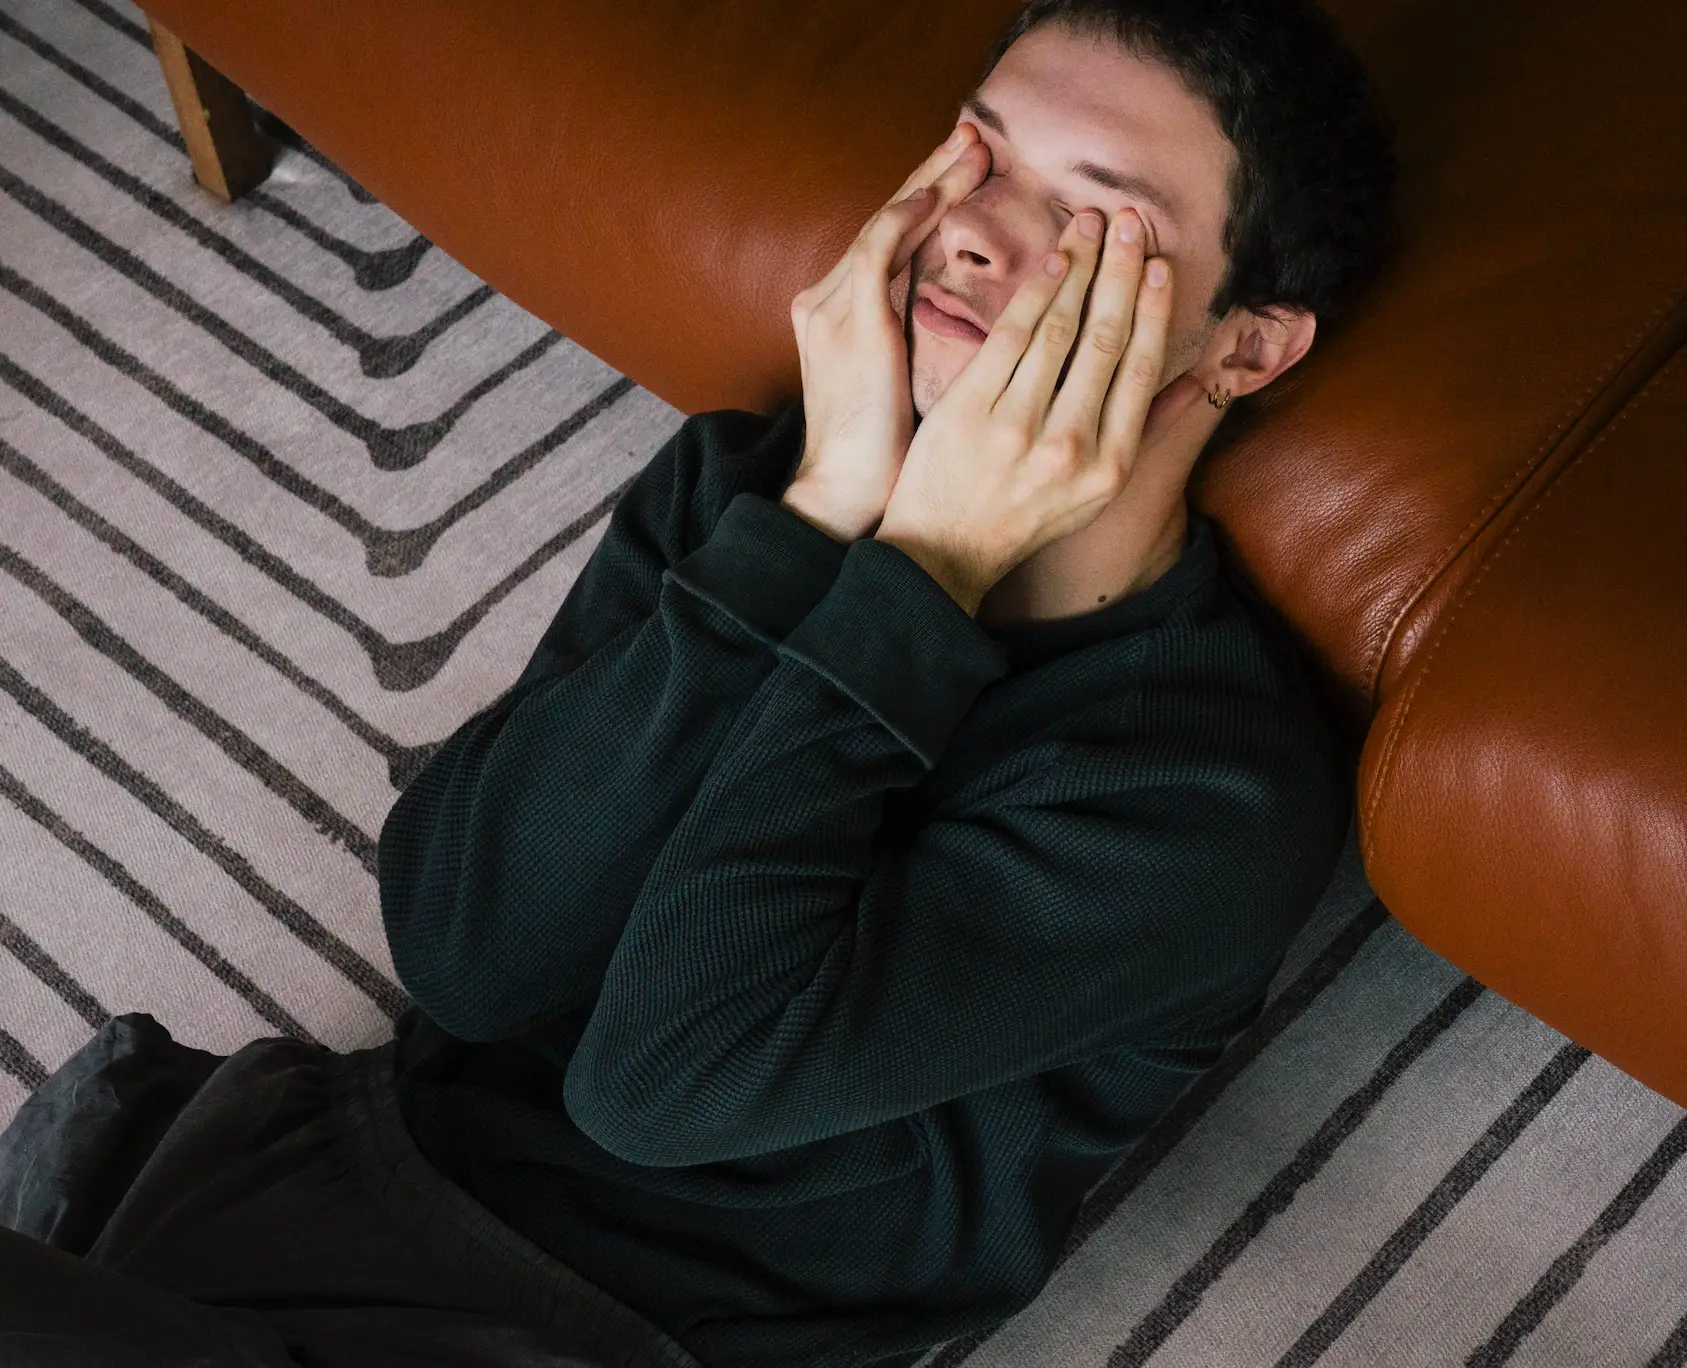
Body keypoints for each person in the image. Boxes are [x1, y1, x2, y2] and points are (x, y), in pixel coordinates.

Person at [0, 1, 1395, 1364]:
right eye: (981, 157)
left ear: (1247, 344)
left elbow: (662, 1083)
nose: (973, 229)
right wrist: (820, 520)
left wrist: (926, 578)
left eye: (1094, 217)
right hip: (296, 1183)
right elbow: (461, 950)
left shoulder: (1205, 788)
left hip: (599, 1322)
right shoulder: (761, 490)